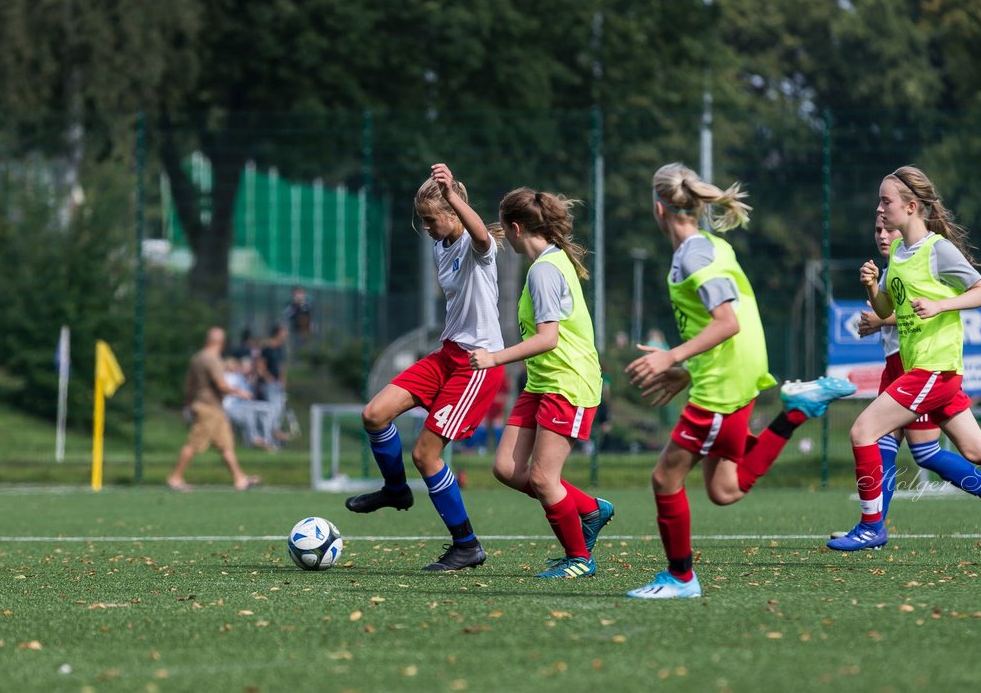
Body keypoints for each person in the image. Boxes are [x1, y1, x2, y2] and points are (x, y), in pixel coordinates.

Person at [804, 166, 981, 552]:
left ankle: (870, 526)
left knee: (864, 432)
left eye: (886, 202)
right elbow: (888, 306)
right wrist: (870, 287)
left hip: (936, 368)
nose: (880, 211)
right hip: (921, 369)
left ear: (911, 207)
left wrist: (941, 304)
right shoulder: (898, 252)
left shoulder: (938, 250)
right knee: (975, 450)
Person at [623, 163, 856, 600]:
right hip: (732, 373)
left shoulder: (694, 252)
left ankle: (681, 578)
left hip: (723, 384)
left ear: (659, 209)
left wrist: (673, 356)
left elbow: (726, 322)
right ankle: (795, 413)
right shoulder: (708, 246)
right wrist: (686, 370)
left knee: (664, 479)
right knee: (724, 489)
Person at [344, 164, 509, 572]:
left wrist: (452, 194)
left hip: (477, 363)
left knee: (425, 454)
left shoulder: (476, 248)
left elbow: (483, 236)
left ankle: (467, 545)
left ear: (453, 212)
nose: (426, 228)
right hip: (447, 355)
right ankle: (396, 491)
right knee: (374, 414)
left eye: (430, 220)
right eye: (422, 220)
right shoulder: (440, 244)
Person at [470, 187, 613, 579]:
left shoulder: (546, 271)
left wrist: (494, 358)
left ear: (516, 228)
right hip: (542, 382)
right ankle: (589, 509)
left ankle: (579, 558)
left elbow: (548, 338)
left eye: (505, 226)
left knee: (542, 478)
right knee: (505, 467)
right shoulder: (546, 263)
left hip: (568, 382)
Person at [858, 214, 981, 541]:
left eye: (888, 228)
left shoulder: (924, 256)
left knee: (927, 452)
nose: (883, 236)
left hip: (921, 369)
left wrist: (879, 320)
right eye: (877, 230)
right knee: (886, 442)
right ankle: (873, 526)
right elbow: (896, 311)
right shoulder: (894, 266)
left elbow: (919, 314)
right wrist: (876, 298)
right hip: (896, 365)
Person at [167, 327, 261, 492]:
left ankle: (240, 479)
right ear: (222, 342)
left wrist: (188, 403)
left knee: (226, 446)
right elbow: (220, 384)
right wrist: (240, 393)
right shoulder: (212, 359)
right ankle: (175, 477)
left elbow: (189, 384)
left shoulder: (197, 358)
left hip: (213, 409)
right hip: (208, 409)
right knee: (194, 444)